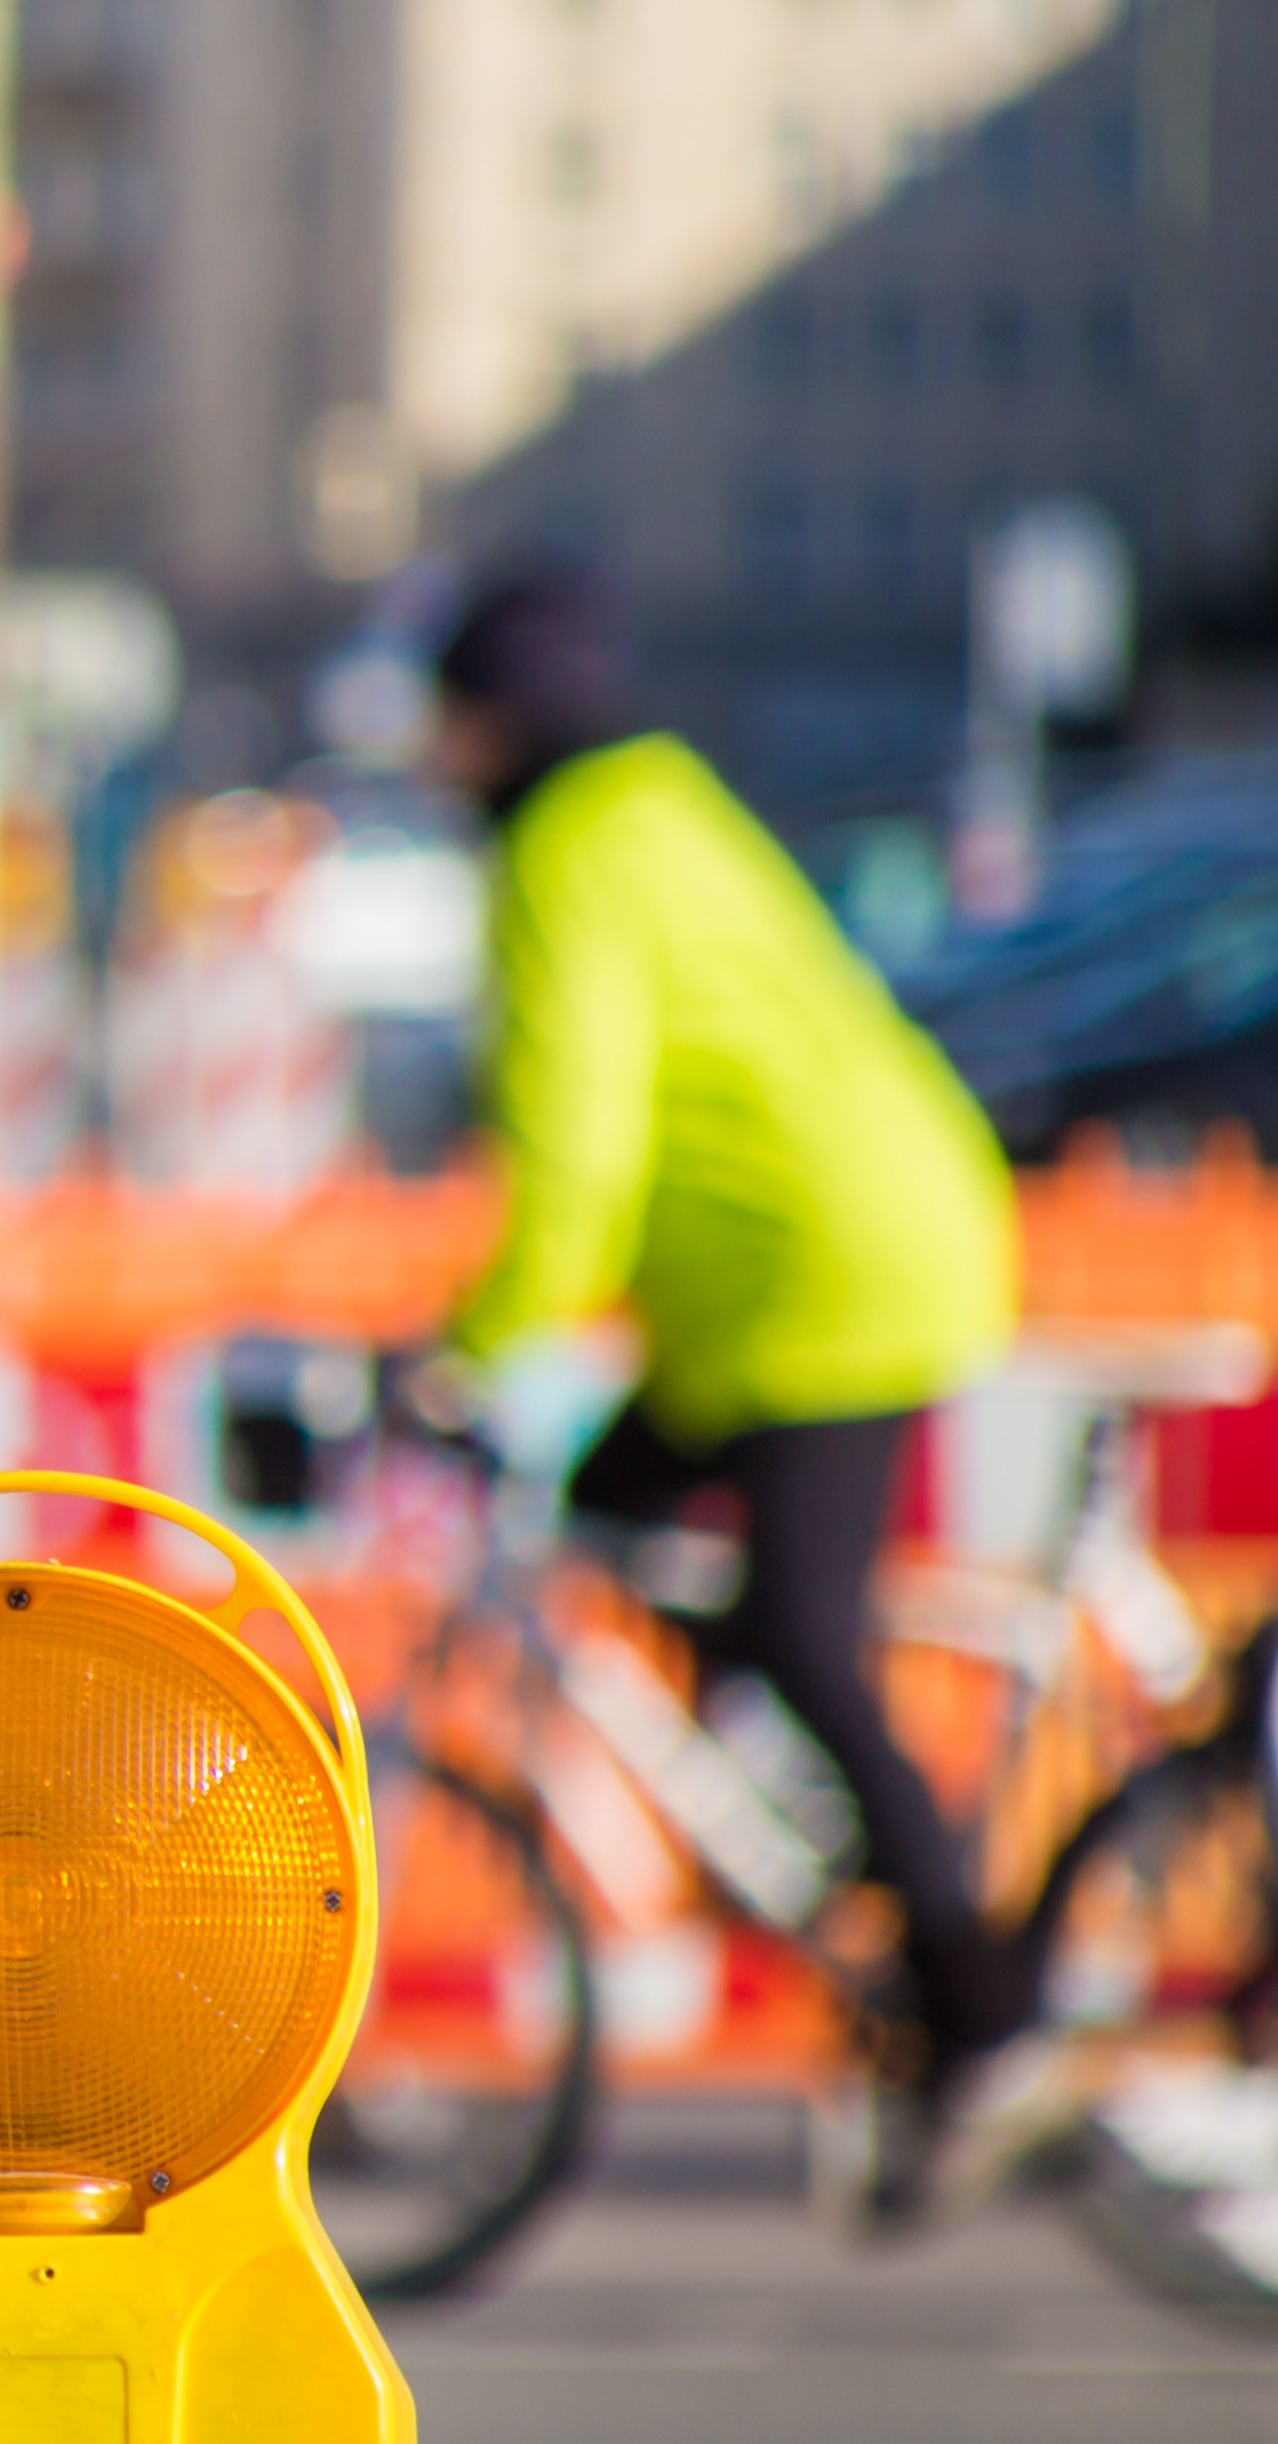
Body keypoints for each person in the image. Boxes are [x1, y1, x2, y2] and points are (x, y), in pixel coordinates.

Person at [411, 570, 1029, 2209]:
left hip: (821, 1279)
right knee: (616, 1519)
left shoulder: (561, 852)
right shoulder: (656, 798)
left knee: (805, 1625)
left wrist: (470, 1344)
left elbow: (574, 1148)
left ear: (484, 721)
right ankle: (826, 1858)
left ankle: (977, 2002)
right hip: (808, 1263)